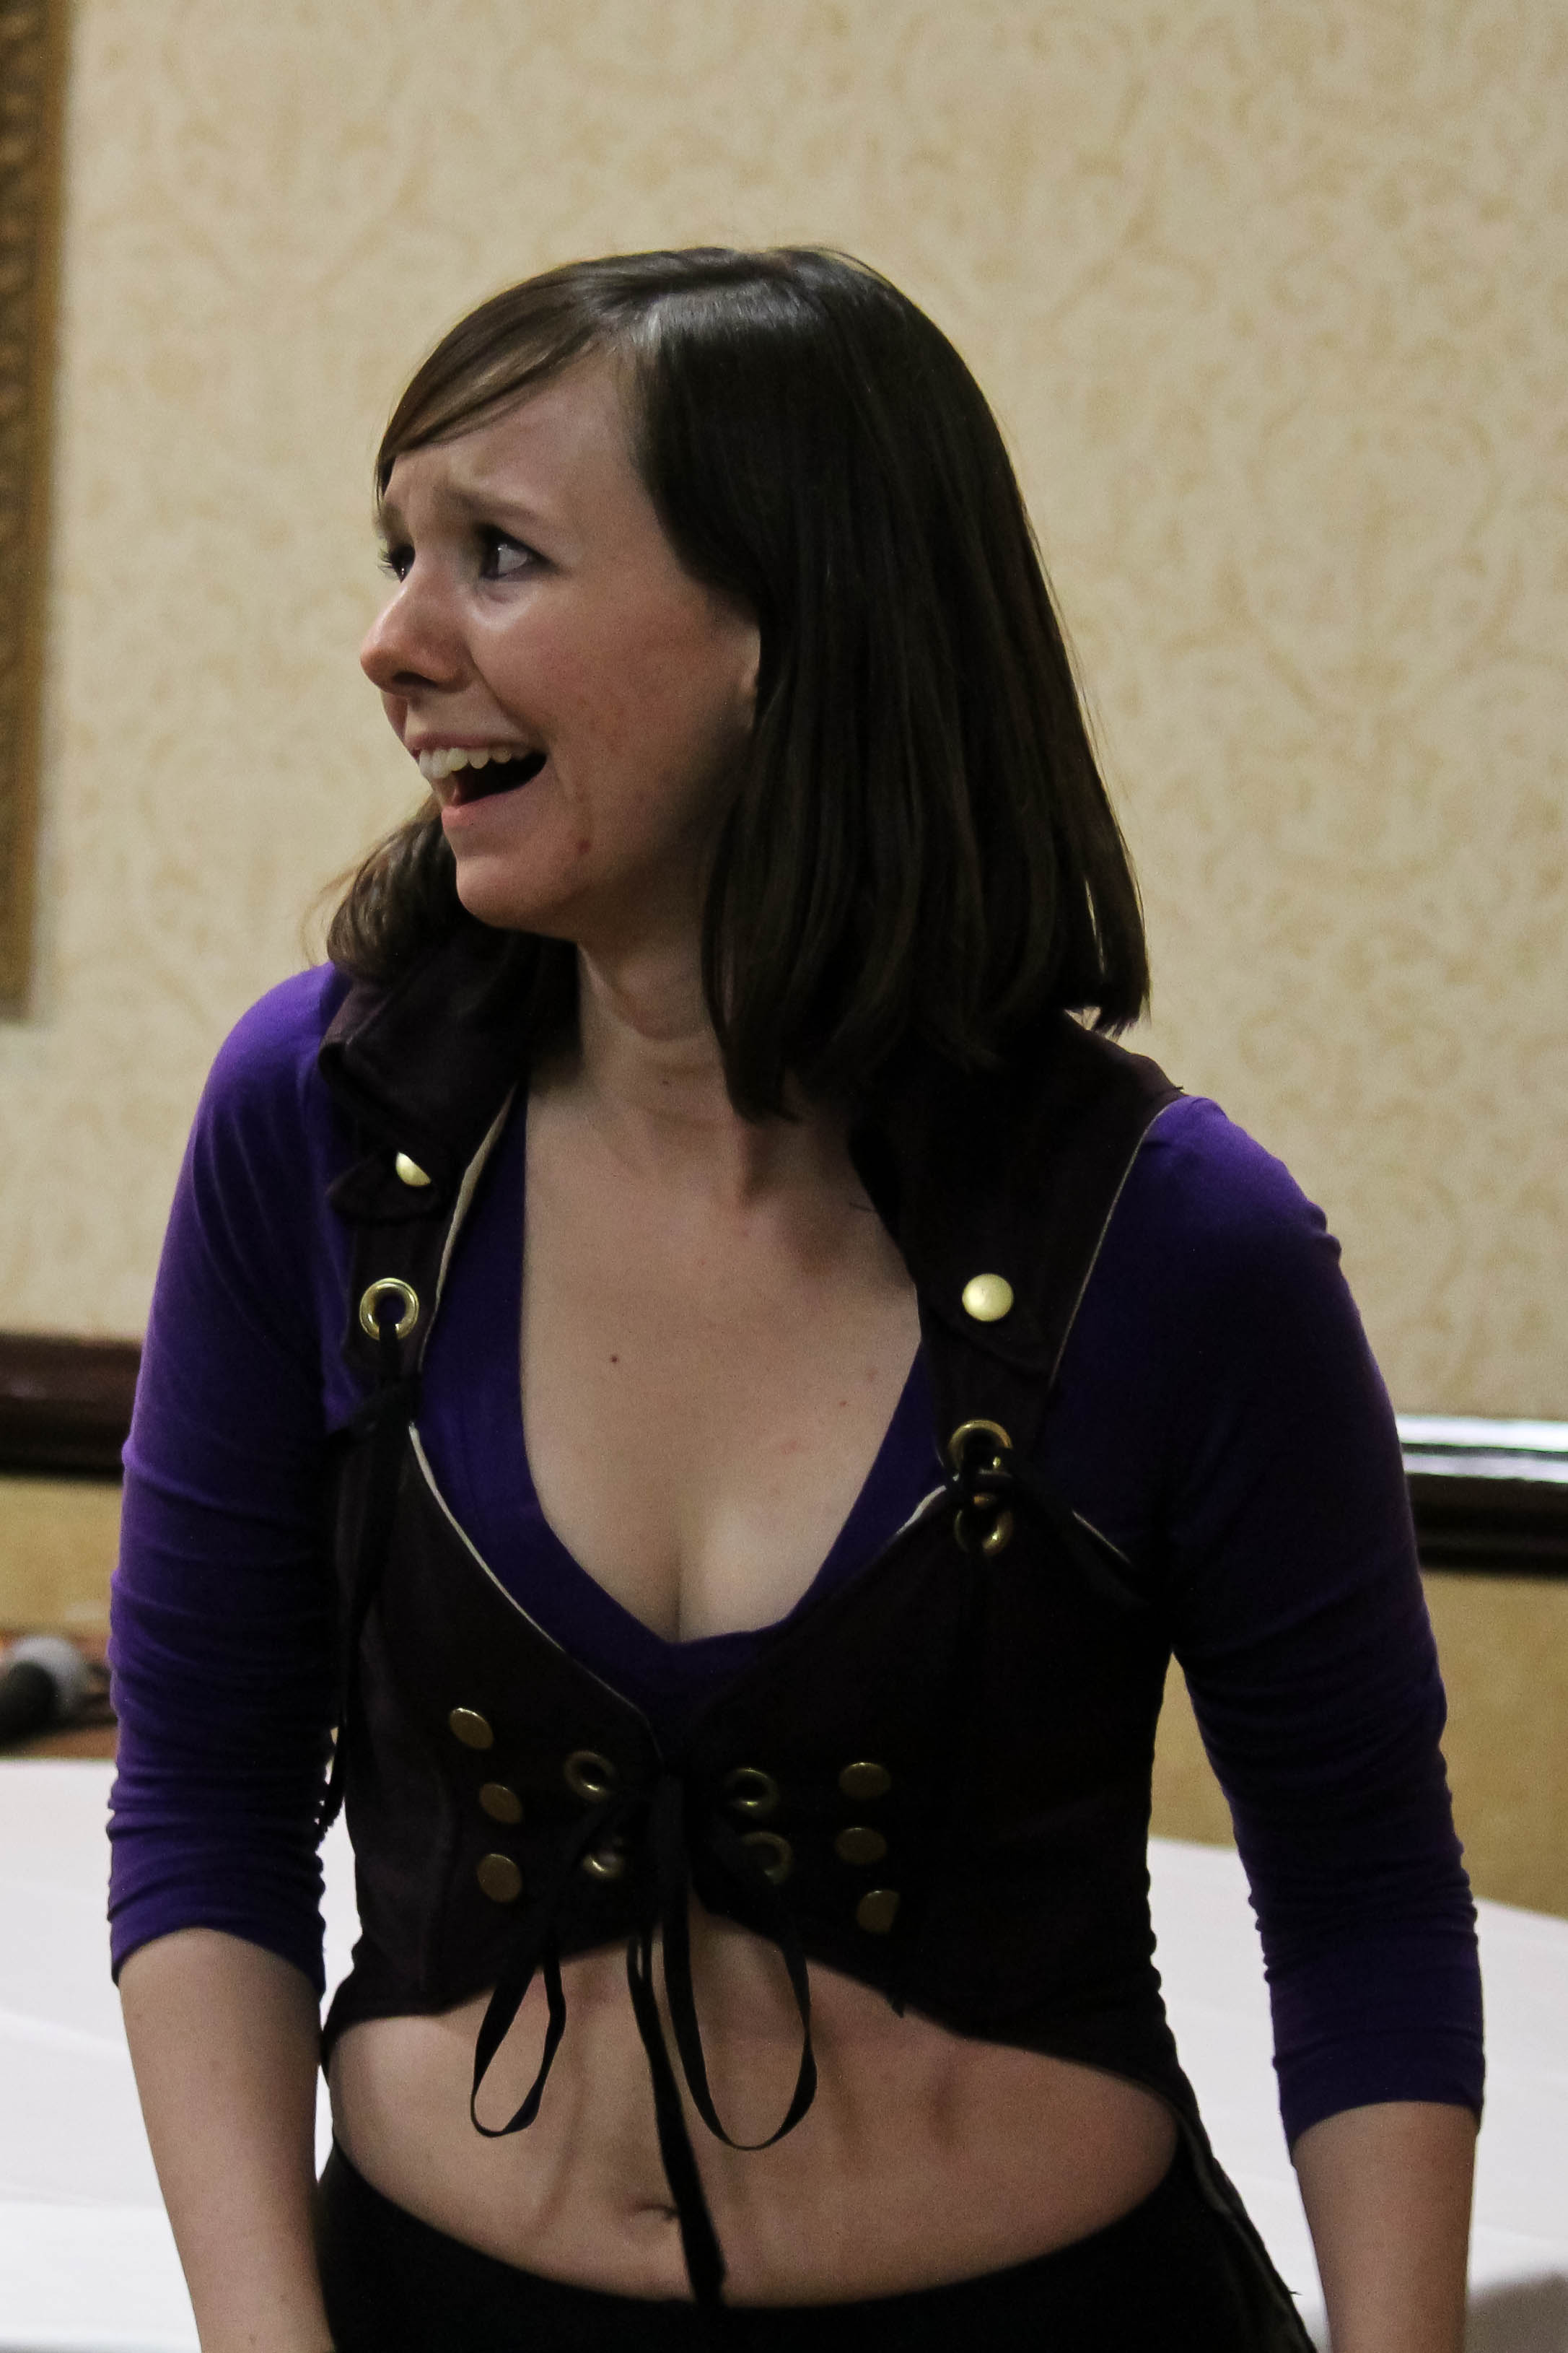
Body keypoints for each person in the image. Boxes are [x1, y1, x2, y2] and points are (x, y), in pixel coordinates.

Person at [109, 248, 1481, 2353]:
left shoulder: (1181, 1237)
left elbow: (1365, 1893)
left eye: (499, 555)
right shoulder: (316, 1133)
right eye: (400, 554)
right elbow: (205, 1801)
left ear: (784, 634)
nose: (394, 642)